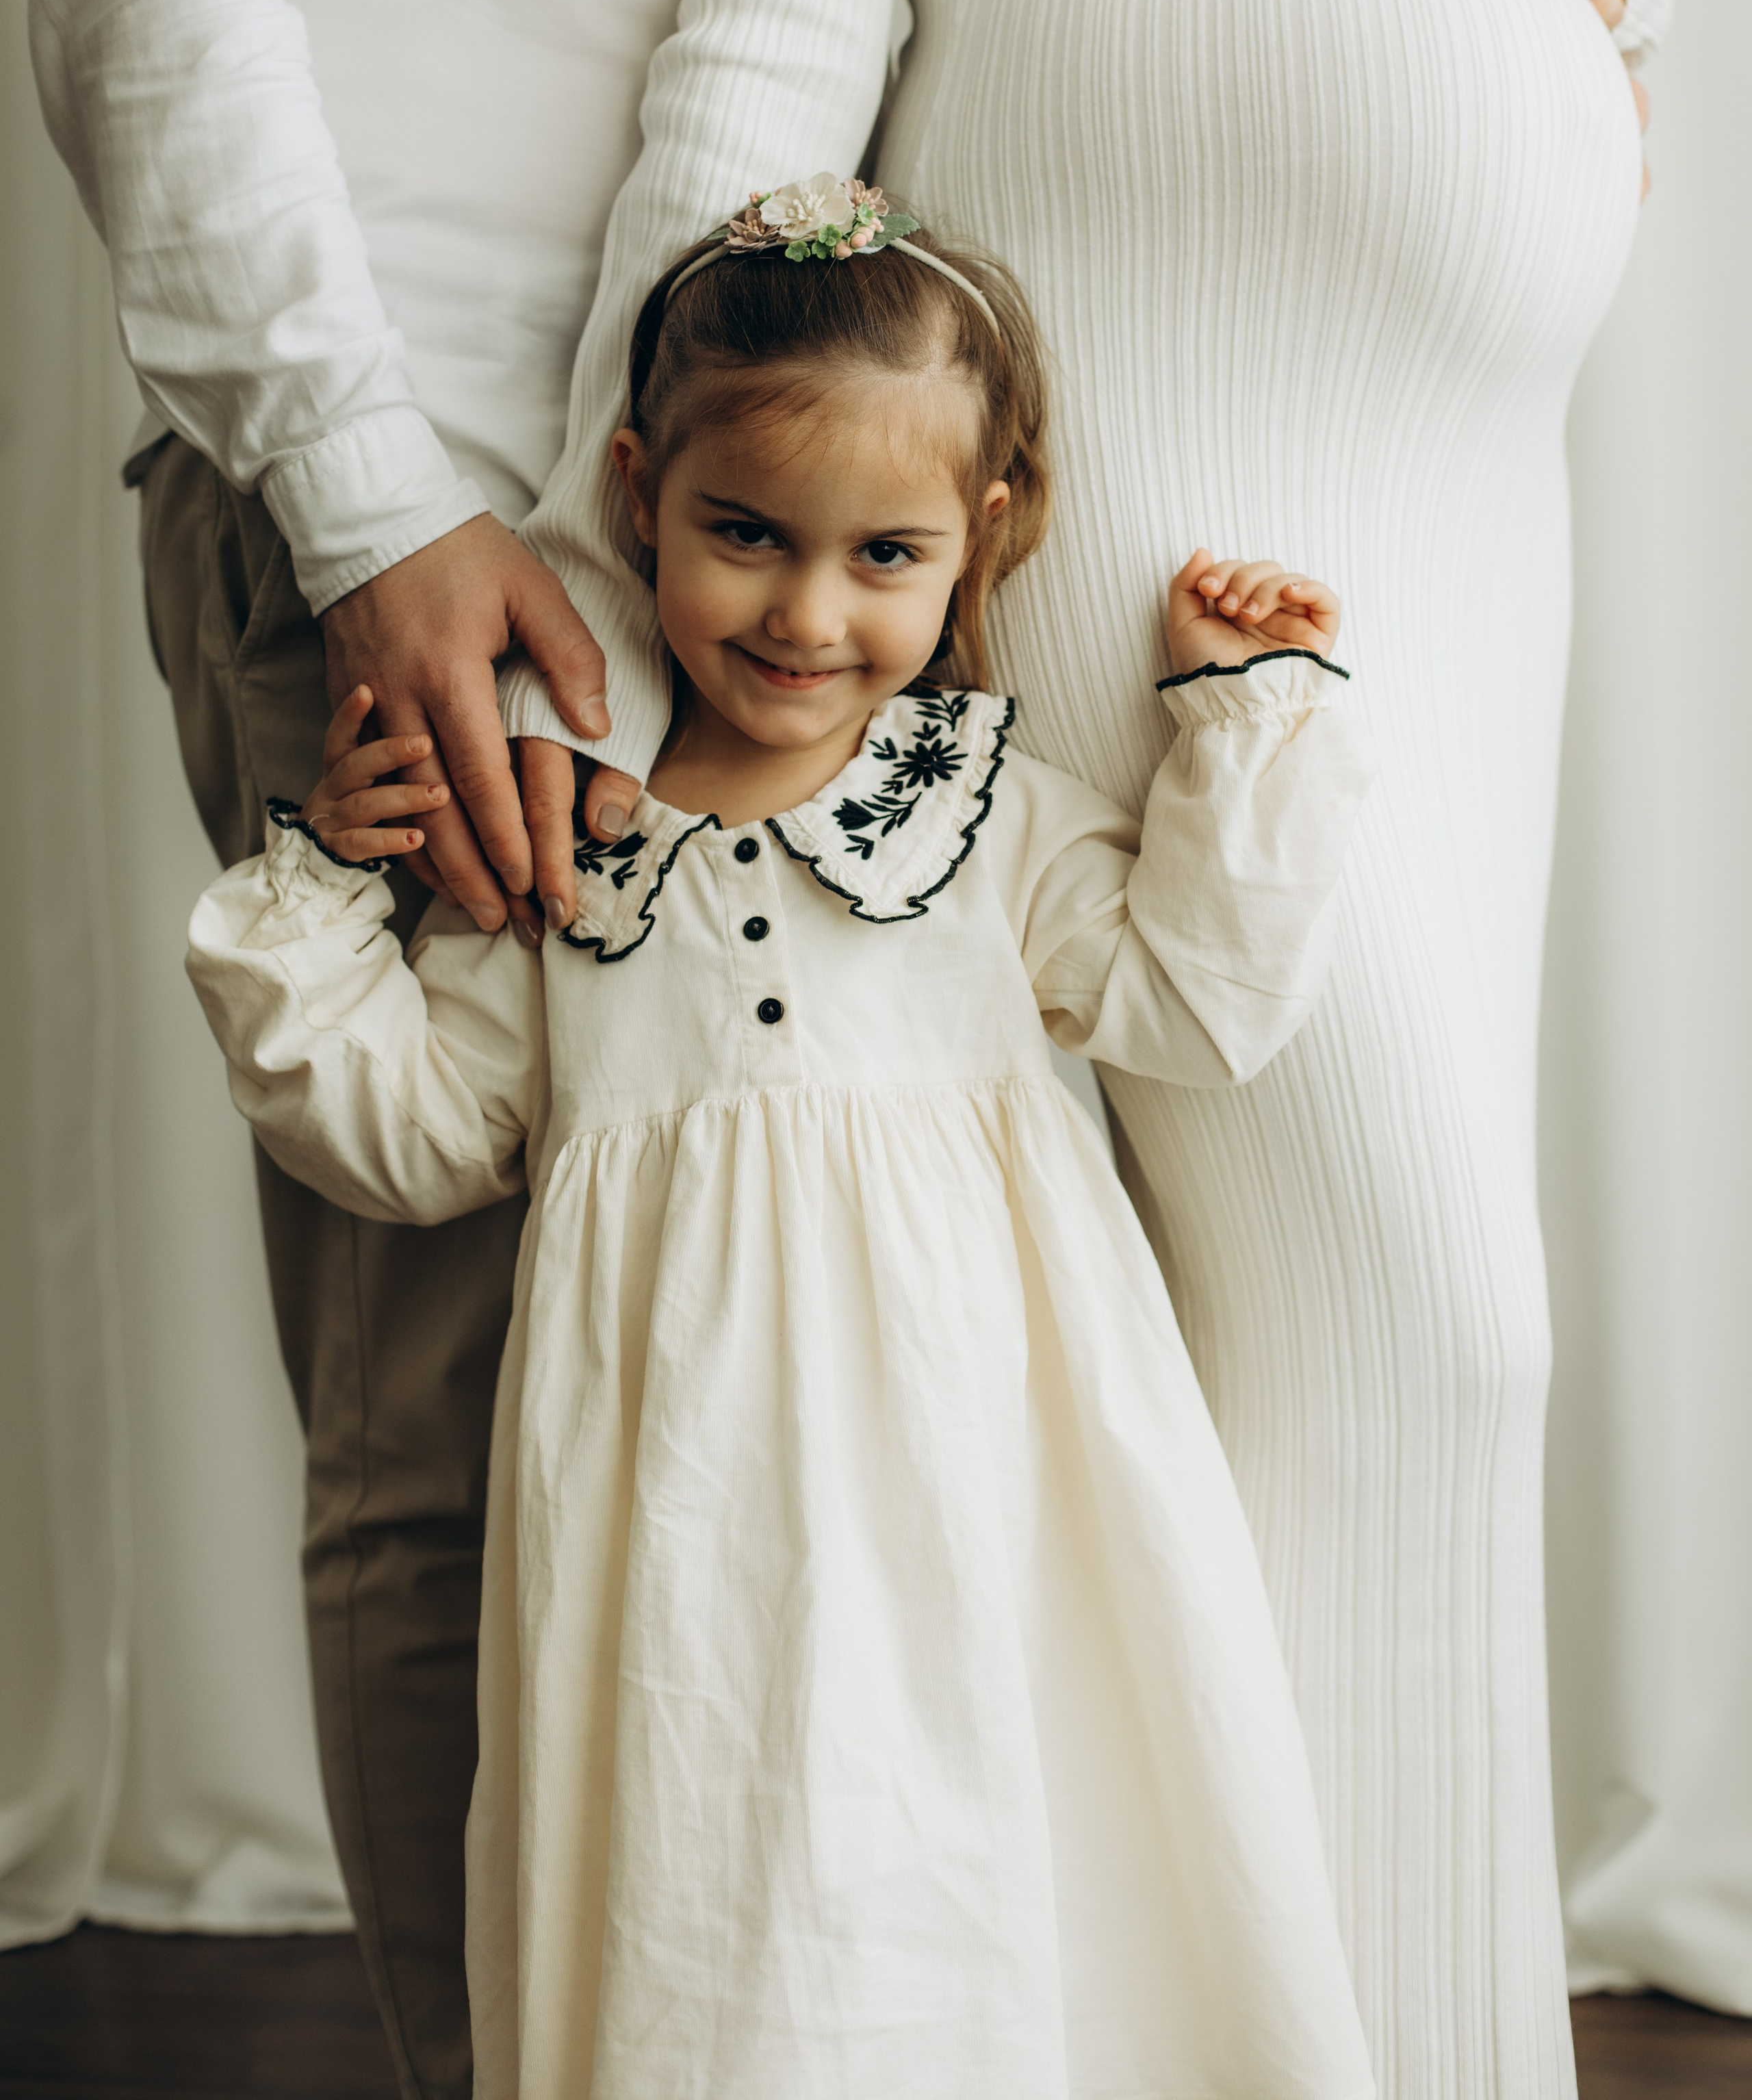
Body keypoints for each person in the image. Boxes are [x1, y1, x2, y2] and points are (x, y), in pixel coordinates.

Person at [493, 0, 1683, 2094]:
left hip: (1456, 513)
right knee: (1410, 1327)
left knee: (1405, 1365)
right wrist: (599, 599)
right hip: (1160, 490)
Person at [188, 188, 1380, 2099]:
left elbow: (1200, 1002)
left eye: (882, 554)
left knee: (996, 1834)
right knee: (717, 1868)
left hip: (978, 1468)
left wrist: (1239, 718)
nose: (807, 615)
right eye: (746, 535)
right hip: (680, 1519)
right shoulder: (572, 853)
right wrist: (327, 888)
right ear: (639, 488)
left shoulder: (974, 812)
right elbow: (413, 1136)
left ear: (981, 540)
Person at [1, 0, 727, 2090]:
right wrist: (367, 505)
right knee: (449, 1418)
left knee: (767, 1392)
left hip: (777, 519)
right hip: (408, 504)